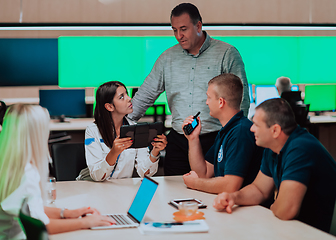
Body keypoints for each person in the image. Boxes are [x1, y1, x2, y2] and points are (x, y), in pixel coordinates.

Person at [128, 3, 250, 176]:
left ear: (198, 25)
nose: (179, 35)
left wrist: (235, 139)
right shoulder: (167, 58)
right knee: (173, 192)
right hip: (179, 141)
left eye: (183, 29)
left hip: (215, 140)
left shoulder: (227, 54)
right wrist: (120, 124)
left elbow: (241, 100)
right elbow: (145, 95)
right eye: (174, 30)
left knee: (213, 193)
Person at [0, 104, 115, 239]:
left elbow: (29, 210)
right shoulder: (25, 172)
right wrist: (85, 223)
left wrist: (67, 213)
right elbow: (40, 226)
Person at [213, 98, 336, 233]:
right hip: (298, 228)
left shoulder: (300, 148)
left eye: (256, 125)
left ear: (275, 131)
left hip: (319, 232)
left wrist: (274, 206)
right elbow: (259, 189)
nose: (251, 128)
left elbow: (286, 210)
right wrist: (233, 197)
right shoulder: (272, 148)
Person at [182, 73, 263, 194]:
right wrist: (193, 139)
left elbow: (230, 186)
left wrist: (194, 183)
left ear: (221, 102)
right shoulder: (226, 131)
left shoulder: (240, 132)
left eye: (209, 97)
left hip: (245, 210)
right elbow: (203, 174)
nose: (206, 103)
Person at [77, 81, 167, 182]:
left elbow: (144, 172)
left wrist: (155, 151)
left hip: (121, 189)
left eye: (127, 94)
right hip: (96, 188)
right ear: (109, 107)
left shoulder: (135, 128)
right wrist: (114, 153)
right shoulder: (93, 130)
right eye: (121, 97)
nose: (129, 99)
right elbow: (97, 176)